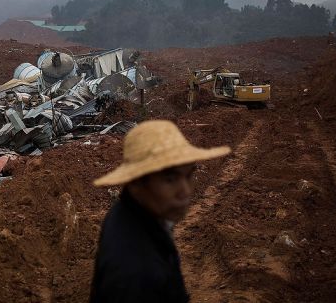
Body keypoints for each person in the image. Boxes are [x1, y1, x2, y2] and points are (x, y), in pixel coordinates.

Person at [90, 120, 231, 303]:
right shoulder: (138, 276)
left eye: (189, 175)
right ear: (136, 182)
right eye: (170, 179)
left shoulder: (127, 212)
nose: (186, 191)